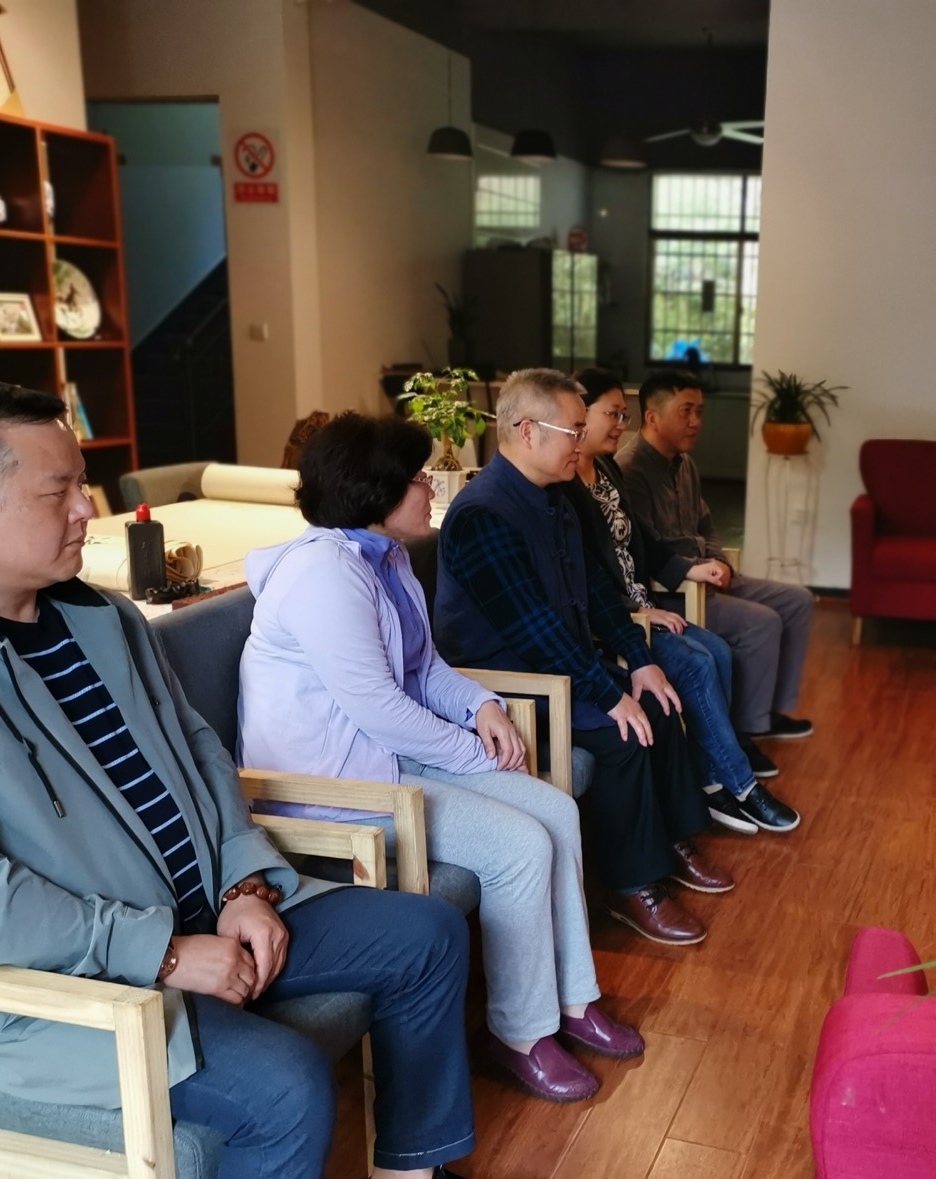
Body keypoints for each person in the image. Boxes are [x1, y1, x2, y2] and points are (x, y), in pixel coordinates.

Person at [0, 380, 473, 1179]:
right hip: (76, 986)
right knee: (286, 1089)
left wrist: (243, 883)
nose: (85, 511)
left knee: (427, 934)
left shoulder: (101, 615)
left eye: (82, 484)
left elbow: (197, 748)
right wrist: (161, 952)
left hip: (207, 912)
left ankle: (410, 1168)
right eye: (57, 492)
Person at [238, 412, 643, 1105]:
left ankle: (573, 999)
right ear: (375, 491)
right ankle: (518, 1035)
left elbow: (422, 670)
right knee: (519, 844)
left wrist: (482, 706)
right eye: (418, 478)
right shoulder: (322, 574)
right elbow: (378, 706)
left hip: (385, 759)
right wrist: (474, 754)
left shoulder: (387, 556)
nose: (431, 487)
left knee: (555, 808)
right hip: (332, 788)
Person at [433, 367, 733, 946]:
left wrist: (638, 660)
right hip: (508, 684)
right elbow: (533, 630)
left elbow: (596, 590)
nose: (582, 441)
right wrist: (605, 692)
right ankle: (631, 886)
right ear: (527, 431)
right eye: (572, 430)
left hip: (558, 667)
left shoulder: (557, 496)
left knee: (659, 698)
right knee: (623, 733)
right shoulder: (481, 513)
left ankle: (671, 843)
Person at [568, 368, 800, 834]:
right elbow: (585, 577)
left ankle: (711, 780)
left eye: (624, 414)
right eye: (613, 414)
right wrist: (637, 610)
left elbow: (643, 541)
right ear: (580, 414)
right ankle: (740, 785)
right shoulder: (566, 485)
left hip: (642, 603)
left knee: (717, 651)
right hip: (618, 619)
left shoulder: (607, 469)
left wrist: (688, 569)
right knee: (695, 664)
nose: (622, 424)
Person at [618, 371, 816, 779]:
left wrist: (718, 560)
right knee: (762, 623)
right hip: (675, 590)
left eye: (699, 412)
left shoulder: (685, 464)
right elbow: (643, 549)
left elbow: (705, 523)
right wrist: (692, 570)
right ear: (652, 417)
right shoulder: (631, 469)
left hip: (708, 574)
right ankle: (743, 733)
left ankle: (770, 711)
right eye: (686, 411)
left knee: (797, 600)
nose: (696, 422)